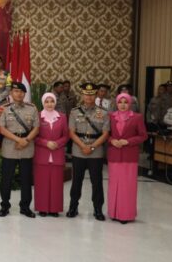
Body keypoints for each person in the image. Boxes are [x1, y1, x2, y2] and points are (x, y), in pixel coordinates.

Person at [67, 82, 110, 221]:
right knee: (76, 181)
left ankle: (98, 209)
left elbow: (105, 134)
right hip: (78, 150)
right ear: (82, 95)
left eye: (91, 94)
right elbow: (71, 132)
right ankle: (73, 207)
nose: (89, 97)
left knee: (97, 182)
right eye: (86, 94)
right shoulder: (74, 112)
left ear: (96, 95)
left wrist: (91, 147)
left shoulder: (103, 112)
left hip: (96, 151)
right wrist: (83, 146)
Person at [0, 82, 40, 218]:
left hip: (27, 147)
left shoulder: (32, 108)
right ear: (11, 93)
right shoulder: (4, 109)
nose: (19, 94)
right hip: (10, 147)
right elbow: (2, 129)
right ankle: (5, 206)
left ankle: (25, 207)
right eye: (16, 91)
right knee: (6, 180)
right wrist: (18, 140)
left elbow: (36, 128)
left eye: (21, 91)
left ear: (24, 94)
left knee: (26, 180)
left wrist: (25, 140)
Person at [107, 93, 148, 224]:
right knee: (114, 185)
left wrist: (128, 141)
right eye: (120, 102)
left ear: (130, 103)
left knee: (127, 186)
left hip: (129, 157)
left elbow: (143, 136)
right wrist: (112, 140)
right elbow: (105, 134)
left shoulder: (137, 117)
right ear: (116, 103)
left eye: (125, 102)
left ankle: (126, 214)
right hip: (114, 155)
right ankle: (113, 212)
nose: (123, 105)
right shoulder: (111, 117)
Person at [33, 92, 69, 217]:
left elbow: (66, 136)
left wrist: (57, 143)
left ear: (55, 102)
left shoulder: (62, 117)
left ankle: (55, 208)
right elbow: (34, 136)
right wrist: (46, 143)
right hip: (42, 155)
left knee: (56, 184)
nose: (49, 104)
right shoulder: (38, 116)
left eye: (52, 101)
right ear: (43, 103)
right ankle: (42, 208)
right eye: (47, 101)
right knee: (41, 183)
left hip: (57, 155)